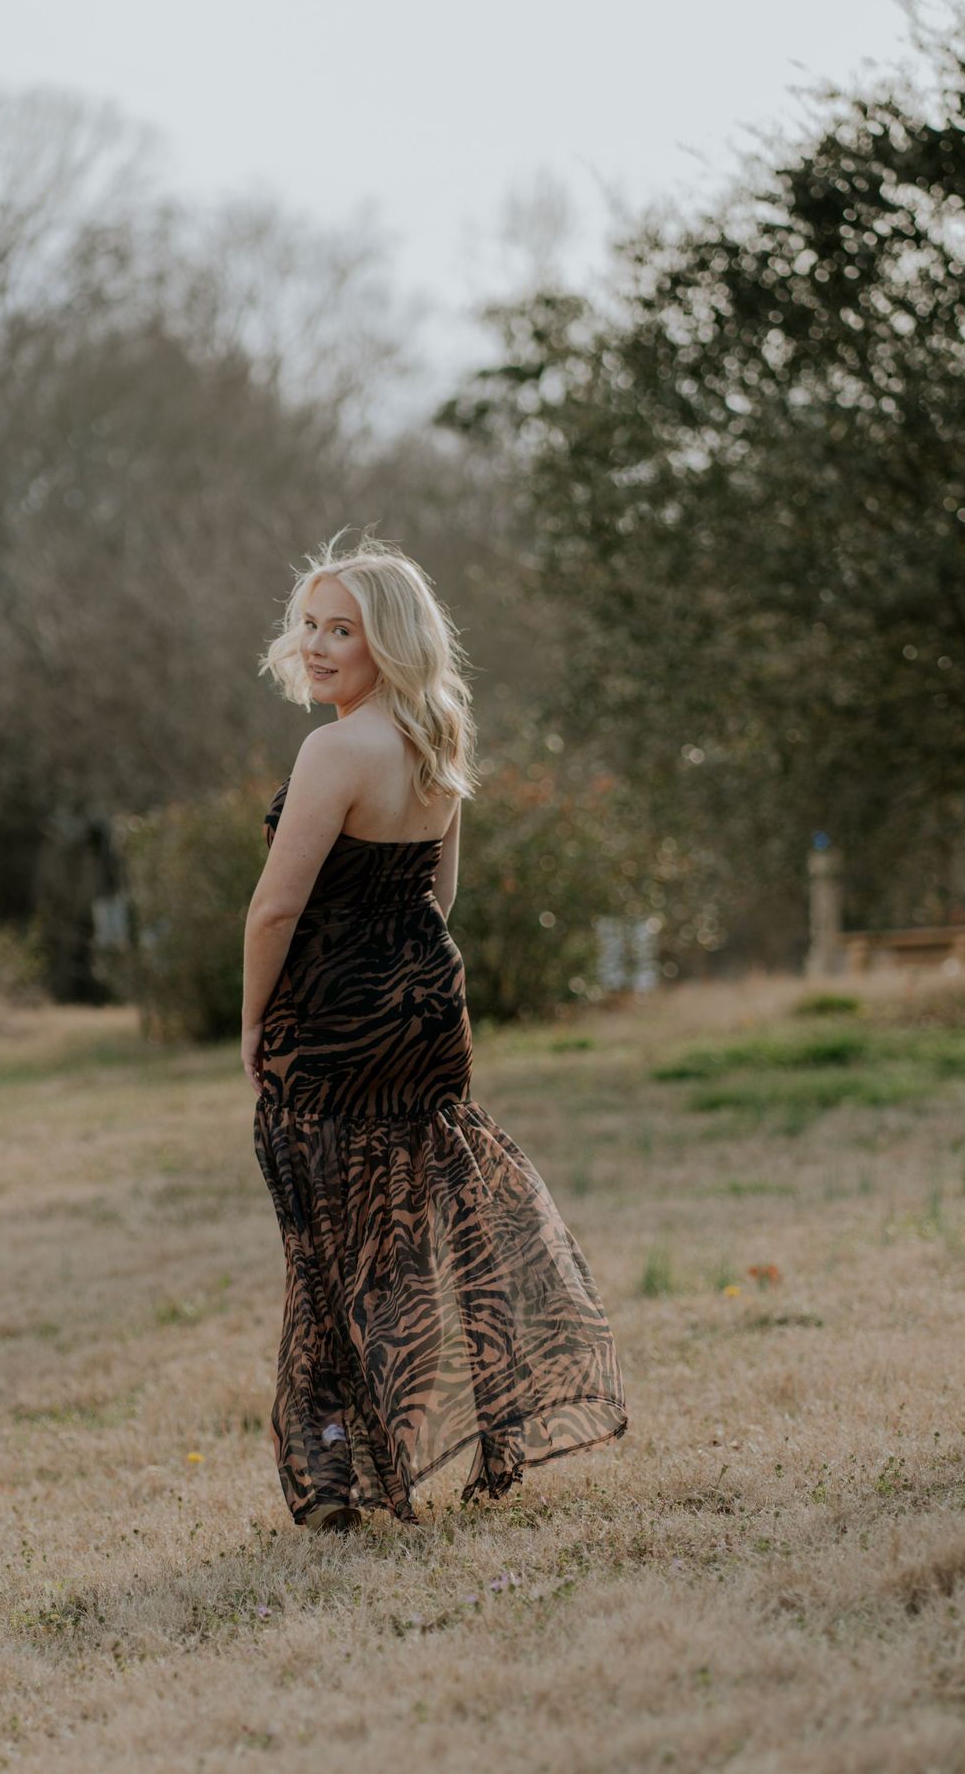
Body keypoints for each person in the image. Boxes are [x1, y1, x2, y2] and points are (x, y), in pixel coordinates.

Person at [243, 530, 628, 1533]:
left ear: (391, 642)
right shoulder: (434, 736)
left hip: (334, 1017)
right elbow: (439, 893)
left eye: (344, 630)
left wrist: (254, 1025)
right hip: (424, 1001)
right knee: (420, 1224)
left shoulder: (334, 749)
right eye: (312, 625)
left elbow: (274, 910)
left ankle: (341, 1475)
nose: (318, 645)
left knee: (332, 1240)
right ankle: (464, 1433)